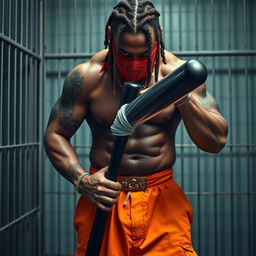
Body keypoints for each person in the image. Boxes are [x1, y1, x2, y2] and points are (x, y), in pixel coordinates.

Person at [44, 0, 228, 255]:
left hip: (161, 200)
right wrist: (82, 180)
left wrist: (182, 97)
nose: (134, 64)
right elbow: (55, 134)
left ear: (159, 37)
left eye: (143, 55)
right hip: (104, 197)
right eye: (125, 54)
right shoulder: (87, 77)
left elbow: (216, 141)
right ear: (110, 37)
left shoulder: (177, 73)